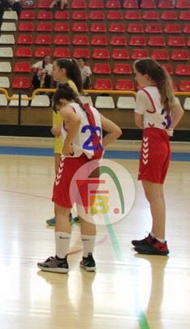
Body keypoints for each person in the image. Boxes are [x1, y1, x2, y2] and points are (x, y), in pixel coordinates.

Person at [37, 84, 122, 273]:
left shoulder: (69, 109)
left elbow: (74, 119)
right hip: (93, 164)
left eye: (58, 109)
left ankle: (60, 260)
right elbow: (117, 131)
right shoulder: (92, 111)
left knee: (62, 210)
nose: (60, 113)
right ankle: (88, 259)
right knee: (86, 212)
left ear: (61, 101)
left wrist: (67, 143)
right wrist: (99, 146)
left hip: (73, 162)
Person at [132, 58, 185, 256]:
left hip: (152, 140)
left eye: (137, 74)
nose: (135, 78)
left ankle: (160, 241)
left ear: (146, 76)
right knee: (158, 193)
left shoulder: (143, 93)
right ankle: (155, 235)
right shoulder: (165, 90)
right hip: (163, 141)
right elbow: (179, 111)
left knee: (152, 196)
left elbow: (138, 122)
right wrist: (170, 127)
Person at [46, 58, 84, 227]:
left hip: (64, 138)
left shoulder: (68, 87)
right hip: (63, 137)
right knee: (67, 177)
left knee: (63, 178)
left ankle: (64, 214)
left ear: (63, 71)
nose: (51, 71)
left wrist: (59, 125)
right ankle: (77, 213)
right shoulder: (67, 86)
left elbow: (74, 112)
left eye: (54, 68)